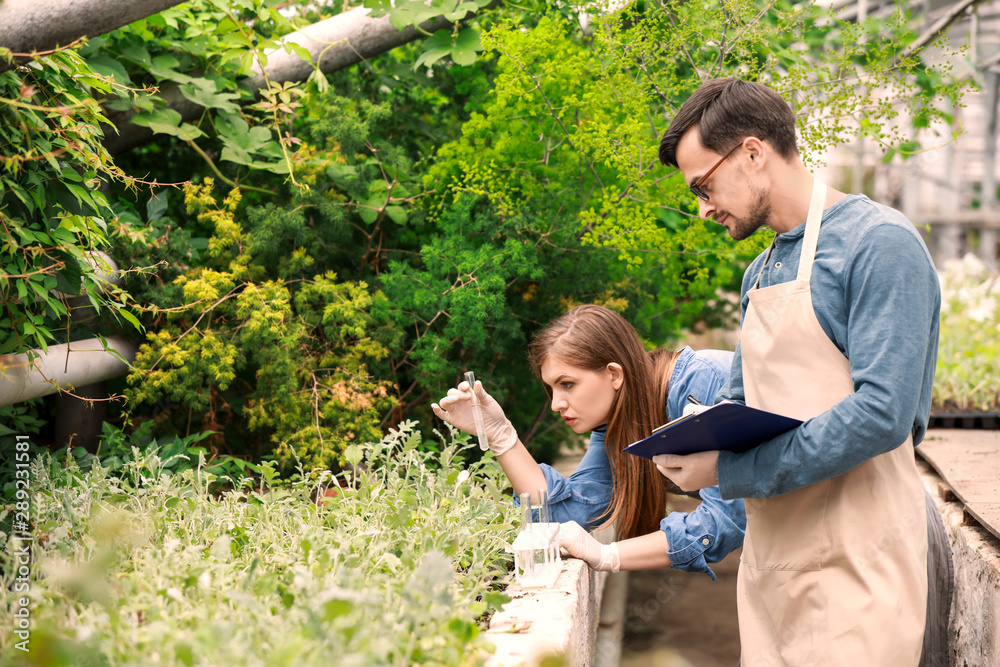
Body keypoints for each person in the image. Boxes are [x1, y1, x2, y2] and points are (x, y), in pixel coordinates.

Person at [656, 78, 950, 666]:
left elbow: (882, 415)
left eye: (704, 185)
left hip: (859, 568)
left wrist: (732, 466)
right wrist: (692, 443)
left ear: (751, 153)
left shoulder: (879, 244)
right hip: (771, 572)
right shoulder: (759, 273)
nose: (703, 207)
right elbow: (742, 408)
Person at [432, 304, 746, 578]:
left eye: (567, 384)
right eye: (551, 389)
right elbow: (563, 519)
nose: (556, 403)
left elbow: (725, 519)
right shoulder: (618, 426)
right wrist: (502, 436)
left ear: (614, 374)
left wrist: (609, 556)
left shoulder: (702, 385)